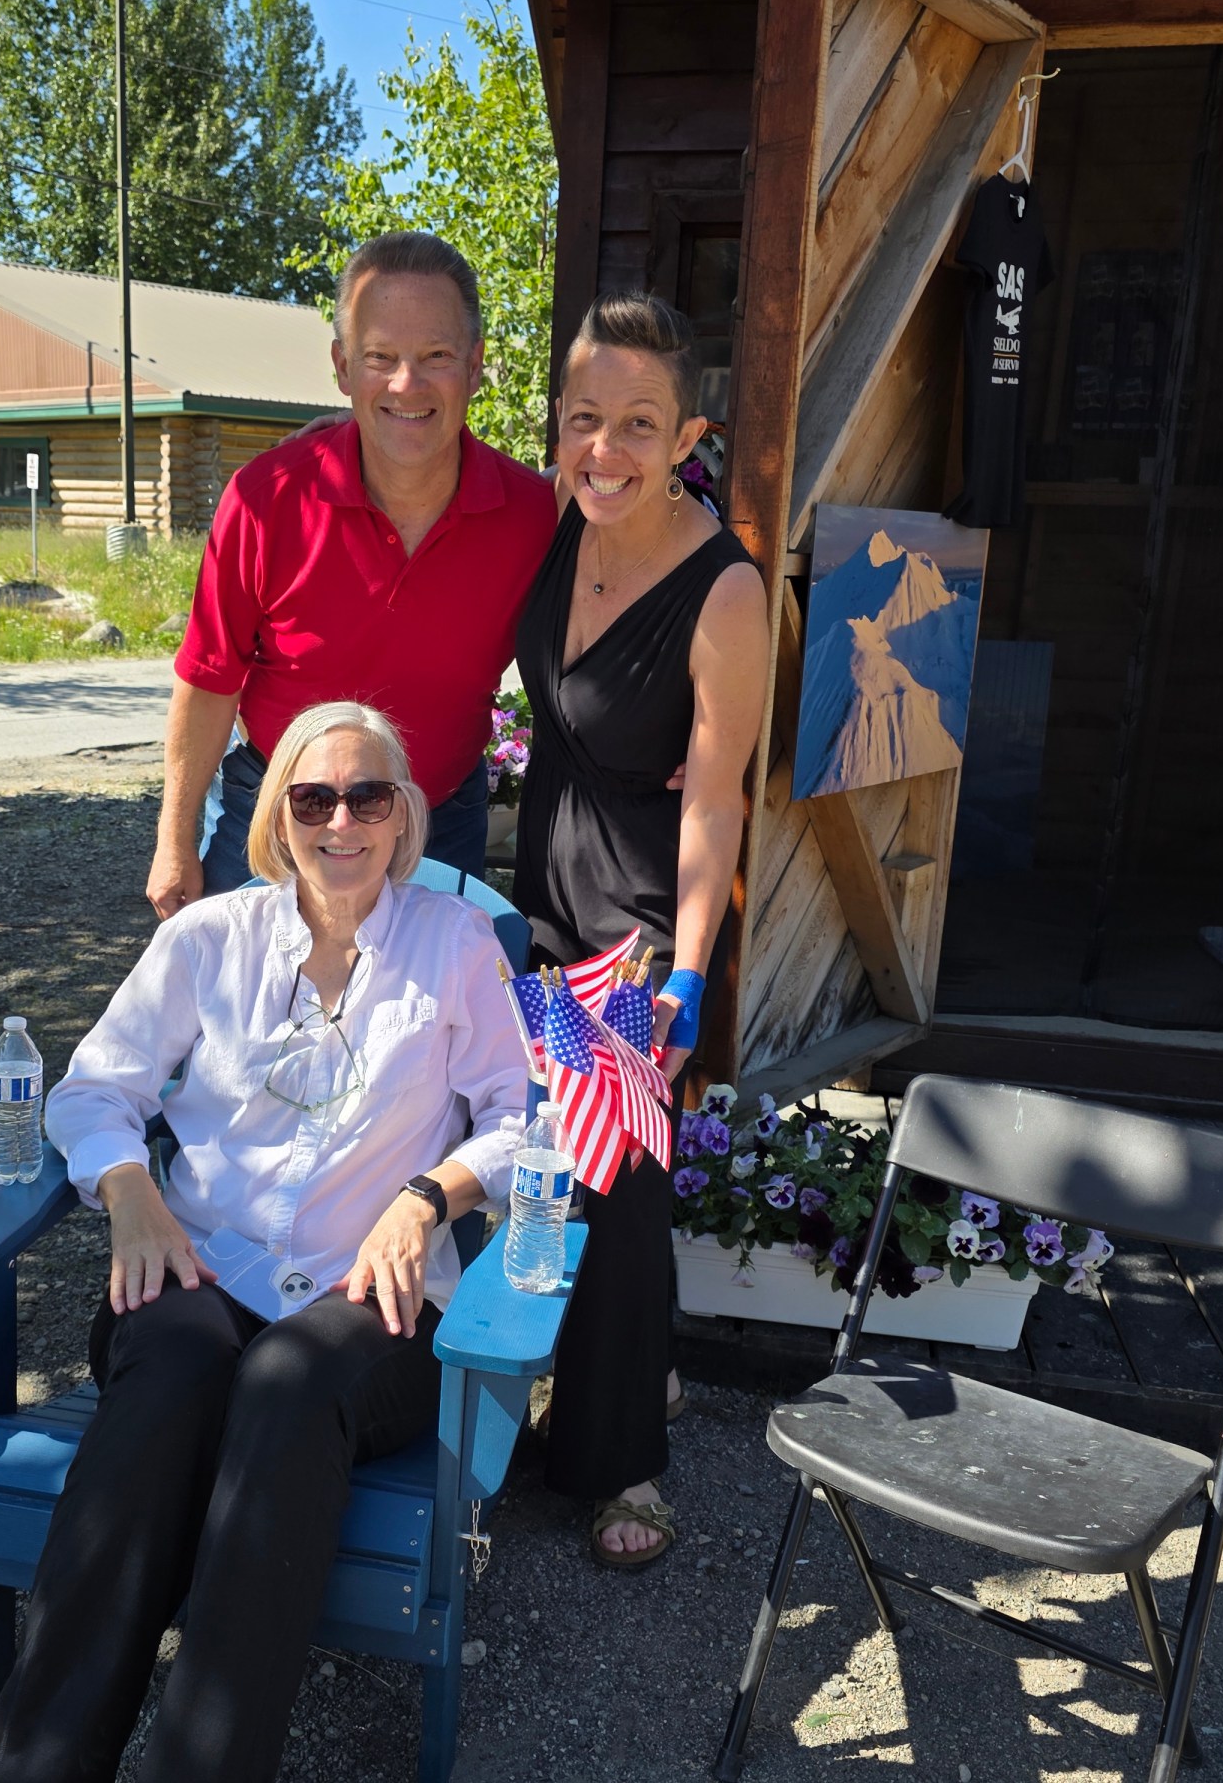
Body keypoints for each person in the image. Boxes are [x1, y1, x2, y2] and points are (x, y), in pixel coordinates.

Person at [0, 700, 528, 1783]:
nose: (342, 823)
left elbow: (523, 1116)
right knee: (174, 1368)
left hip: (376, 1299)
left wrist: (427, 1198)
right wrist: (129, 1187)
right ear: (277, 817)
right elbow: (95, 1090)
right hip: (201, 1263)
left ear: (405, 816)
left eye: (368, 796)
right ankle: (37, 1763)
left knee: (284, 1382)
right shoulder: (206, 940)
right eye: (314, 798)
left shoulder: (455, 946)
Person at [515, 293, 767, 1568]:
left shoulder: (726, 594)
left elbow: (718, 801)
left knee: (616, 1178)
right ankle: (611, 1377)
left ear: (687, 435)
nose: (603, 449)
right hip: (536, 904)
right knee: (539, 1159)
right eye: (583, 420)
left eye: (637, 425)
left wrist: (688, 984)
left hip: (637, 921)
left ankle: (626, 1468)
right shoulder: (561, 522)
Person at [147, 231, 557, 916]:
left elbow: (599, 638)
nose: (407, 383)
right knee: (240, 1017)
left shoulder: (532, 517)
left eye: (437, 356)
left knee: (424, 1021)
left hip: (434, 820)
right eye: (380, 357)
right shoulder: (266, 499)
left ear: (477, 366)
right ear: (342, 368)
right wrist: (173, 838)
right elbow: (209, 680)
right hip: (278, 813)